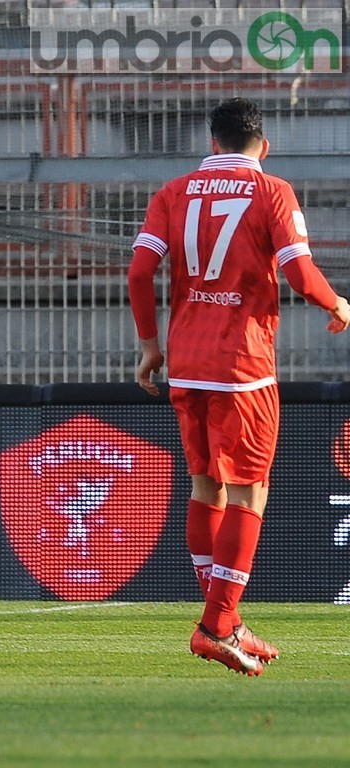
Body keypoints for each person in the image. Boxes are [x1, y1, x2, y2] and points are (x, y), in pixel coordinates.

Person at [128, 97, 350, 676]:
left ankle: (224, 617)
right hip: (243, 368)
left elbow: (138, 271)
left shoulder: (174, 193)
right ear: (263, 144)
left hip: (187, 364)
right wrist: (337, 303)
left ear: (212, 141)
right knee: (251, 492)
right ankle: (216, 623)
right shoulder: (272, 190)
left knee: (207, 490)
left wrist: (151, 346)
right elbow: (300, 274)